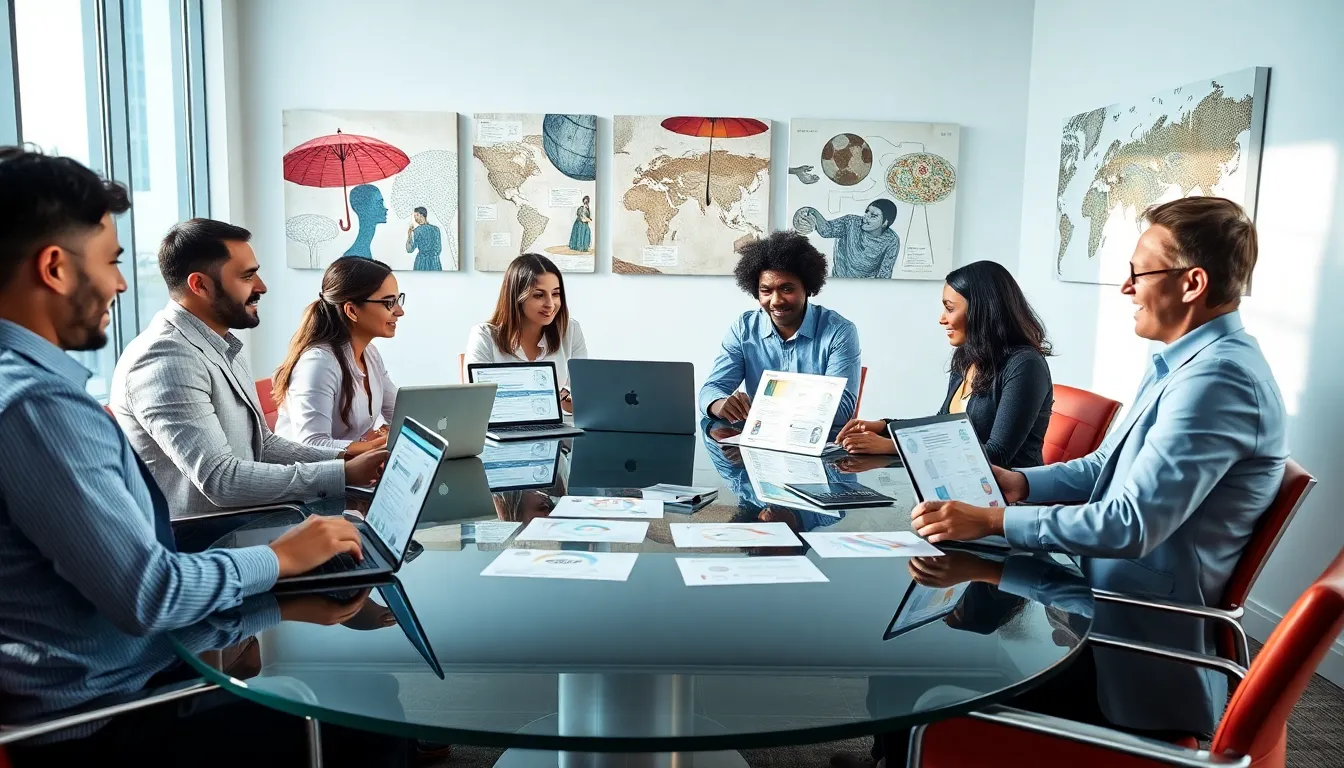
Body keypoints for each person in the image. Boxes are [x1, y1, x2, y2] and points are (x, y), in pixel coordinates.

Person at [0, 147, 405, 766]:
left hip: (139, 655)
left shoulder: (37, 389)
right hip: (108, 715)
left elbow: (132, 589)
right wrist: (279, 560)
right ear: (54, 267)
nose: (120, 282)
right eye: (109, 261)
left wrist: (278, 599)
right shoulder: (39, 407)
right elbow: (150, 593)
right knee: (369, 713)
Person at [905, 197, 1285, 739]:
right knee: (936, 654)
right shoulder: (1186, 365)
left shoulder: (1217, 382)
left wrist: (993, 522)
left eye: (1137, 273)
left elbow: (1130, 524)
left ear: (1192, 283)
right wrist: (1019, 483)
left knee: (934, 692)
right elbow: (1107, 465)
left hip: (1128, 644)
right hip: (1092, 598)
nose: (1126, 289)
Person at [110, 219, 389, 524]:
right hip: (202, 543)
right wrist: (341, 472)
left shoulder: (223, 345)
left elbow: (263, 445)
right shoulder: (166, 359)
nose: (262, 286)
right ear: (200, 285)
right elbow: (221, 480)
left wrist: (344, 458)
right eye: (247, 276)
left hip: (248, 521)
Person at [837, 260, 1054, 465]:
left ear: (982, 310)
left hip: (1008, 493)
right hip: (959, 480)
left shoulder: (1025, 365)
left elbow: (997, 454)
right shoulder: (967, 356)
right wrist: (884, 426)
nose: (942, 319)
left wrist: (894, 446)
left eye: (950, 308)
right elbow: (942, 424)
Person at [699, 230, 861, 426]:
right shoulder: (744, 329)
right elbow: (711, 389)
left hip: (816, 446)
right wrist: (720, 404)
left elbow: (841, 410)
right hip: (758, 446)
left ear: (807, 288)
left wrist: (765, 406)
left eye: (787, 289)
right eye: (766, 291)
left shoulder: (839, 332)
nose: (776, 301)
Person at [273, 256, 403, 450]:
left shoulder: (370, 355)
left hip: (348, 472)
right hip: (308, 476)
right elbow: (311, 445)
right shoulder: (318, 364)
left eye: (398, 300)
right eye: (389, 303)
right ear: (352, 311)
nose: (399, 311)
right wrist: (378, 445)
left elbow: (401, 416)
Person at [465, 253, 587, 410]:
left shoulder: (570, 330)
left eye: (555, 294)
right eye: (539, 295)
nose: (550, 304)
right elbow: (478, 404)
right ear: (517, 297)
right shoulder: (484, 336)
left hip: (559, 428)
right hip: (503, 429)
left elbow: (578, 398)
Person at [801, 199, 901, 279]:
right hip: (839, 279)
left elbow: (884, 274)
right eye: (867, 212)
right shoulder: (851, 222)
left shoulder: (891, 240)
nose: (866, 217)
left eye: (873, 216)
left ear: (885, 223)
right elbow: (827, 230)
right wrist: (812, 212)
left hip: (864, 287)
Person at [344, 183, 387, 258]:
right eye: (379, 203)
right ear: (364, 208)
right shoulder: (356, 254)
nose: (385, 209)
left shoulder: (364, 250)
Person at [404, 206, 442, 271]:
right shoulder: (436, 229)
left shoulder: (417, 230)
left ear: (421, 216)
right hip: (435, 262)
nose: (415, 218)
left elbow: (410, 250)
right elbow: (439, 249)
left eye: (416, 215)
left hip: (422, 262)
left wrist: (409, 234)